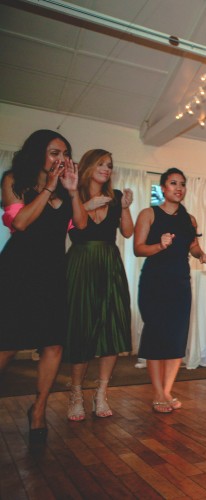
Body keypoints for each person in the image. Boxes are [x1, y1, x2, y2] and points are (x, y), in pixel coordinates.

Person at [0, 130, 86, 445]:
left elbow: (82, 224)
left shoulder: (66, 189)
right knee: (6, 343)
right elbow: (20, 223)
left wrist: (74, 192)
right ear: (39, 153)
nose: (60, 159)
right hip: (17, 272)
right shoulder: (13, 180)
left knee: (53, 344)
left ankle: (38, 410)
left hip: (52, 273)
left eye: (65, 153)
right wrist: (49, 187)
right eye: (54, 153)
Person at [134, 167, 206, 413]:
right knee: (156, 337)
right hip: (154, 283)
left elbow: (194, 246)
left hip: (180, 283)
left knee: (177, 337)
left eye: (182, 184)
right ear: (163, 188)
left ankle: (167, 391)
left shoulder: (189, 220)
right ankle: (157, 392)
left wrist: (202, 255)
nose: (178, 188)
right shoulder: (149, 214)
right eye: (173, 183)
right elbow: (138, 249)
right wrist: (160, 245)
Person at [64, 149, 134, 421]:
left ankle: (102, 392)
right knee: (80, 327)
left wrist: (125, 207)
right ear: (89, 166)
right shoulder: (74, 193)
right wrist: (85, 204)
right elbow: (77, 227)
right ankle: (76, 393)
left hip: (109, 262)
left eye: (110, 165)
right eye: (102, 164)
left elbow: (127, 232)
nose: (107, 168)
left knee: (112, 326)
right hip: (81, 262)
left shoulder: (115, 197)